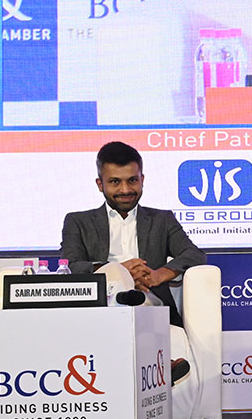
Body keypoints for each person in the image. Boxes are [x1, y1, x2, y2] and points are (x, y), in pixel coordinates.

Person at [60, 141, 208, 383]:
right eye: (115, 182)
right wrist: (117, 272)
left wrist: (161, 273)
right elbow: (72, 263)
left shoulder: (162, 220)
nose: (125, 189)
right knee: (122, 295)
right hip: (103, 302)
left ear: (142, 179)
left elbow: (194, 254)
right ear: (100, 184)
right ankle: (160, 365)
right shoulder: (78, 221)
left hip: (149, 299)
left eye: (132, 180)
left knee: (135, 300)